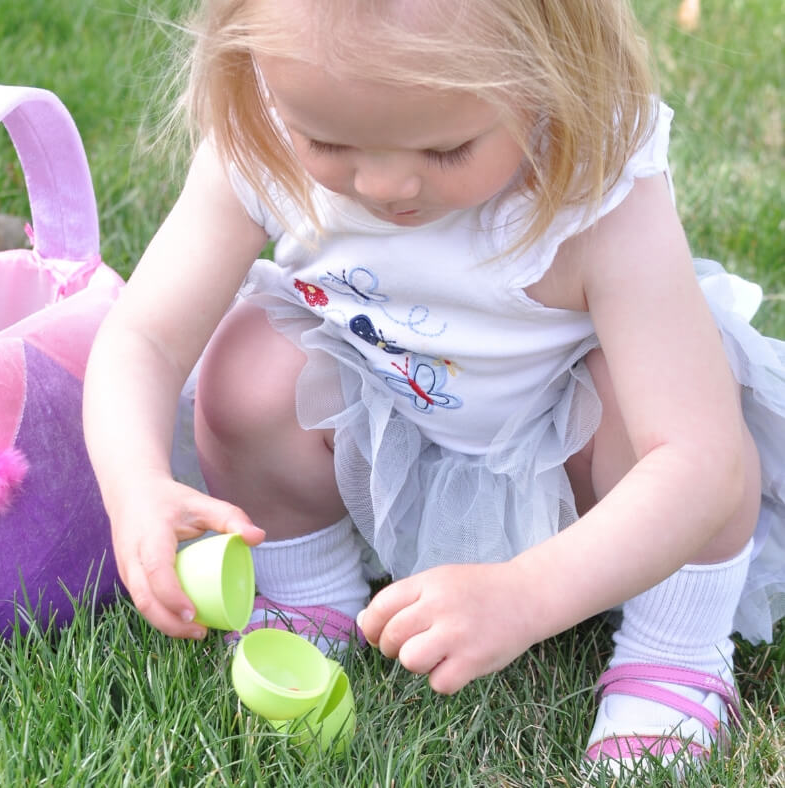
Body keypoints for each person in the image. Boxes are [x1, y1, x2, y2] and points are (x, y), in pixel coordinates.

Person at [83, 0, 785, 773]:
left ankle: (675, 649)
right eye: (328, 140)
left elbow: (698, 461)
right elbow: (143, 337)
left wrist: (526, 595)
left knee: (676, 408)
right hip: (398, 426)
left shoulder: (595, 186)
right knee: (248, 366)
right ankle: (307, 590)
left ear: (553, 77)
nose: (383, 183)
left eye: (447, 148)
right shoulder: (262, 136)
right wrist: (135, 484)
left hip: (583, 467)